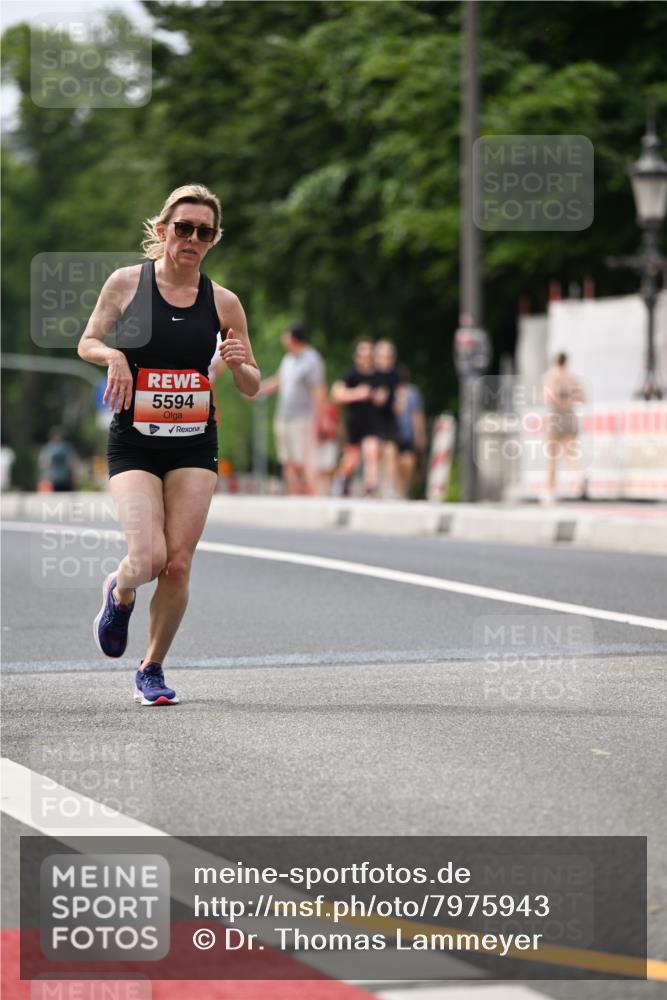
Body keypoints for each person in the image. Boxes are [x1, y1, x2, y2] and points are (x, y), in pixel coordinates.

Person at [78, 183, 259, 705]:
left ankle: (151, 668)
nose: (193, 239)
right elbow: (88, 341)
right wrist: (113, 357)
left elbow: (250, 384)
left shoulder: (223, 302)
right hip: (134, 442)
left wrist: (241, 364)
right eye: (184, 228)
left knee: (177, 562)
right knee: (149, 557)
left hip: (194, 444)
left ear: (213, 239)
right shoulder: (126, 284)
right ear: (163, 230)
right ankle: (120, 591)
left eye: (205, 232)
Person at [256, 323, 325, 495]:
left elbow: (318, 390)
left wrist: (320, 418)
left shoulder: (312, 360)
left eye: (286, 336)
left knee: (302, 460)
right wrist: (258, 390)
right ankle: (294, 494)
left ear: (295, 339)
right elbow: (279, 380)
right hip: (284, 416)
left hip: (302, 418)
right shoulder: (288, 359)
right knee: (286, 458)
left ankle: (310, 494)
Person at [330, 339, 378, 496]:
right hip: (354, 422)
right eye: (362, 355)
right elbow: (336, 394)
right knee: (351, 458)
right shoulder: (350, 374)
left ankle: (370, 486)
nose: (366, 359)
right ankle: (342, 481)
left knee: (371, 451)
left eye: (369, 355)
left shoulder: (378, 376)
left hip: (373, 422)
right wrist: (357, 393)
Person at [541, 352, 586, 503]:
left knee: (552, 457)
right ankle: (579, 475)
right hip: (570, 416)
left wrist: (558, 402)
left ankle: (550, 490)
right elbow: (582, 398)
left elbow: (548, 397)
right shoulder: (572, 378)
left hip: (556, 417)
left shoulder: (551, 376)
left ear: (555, 361)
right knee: (569, 454)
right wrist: (568, 401)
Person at [371, 339, 402, 498]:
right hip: (372, 419)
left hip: (389, 419)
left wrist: (398, 401)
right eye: (382, 356)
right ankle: (374, 487)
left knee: (390, 451)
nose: (385, 360)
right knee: (374, 452)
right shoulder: (371, 374)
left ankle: (389, 488)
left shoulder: (395, 375)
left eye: (388, 357)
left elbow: (399, 397)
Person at [395, 367, 427, 499]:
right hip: (395, 433)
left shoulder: (412, 393)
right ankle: (400, 491)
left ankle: (403, 490)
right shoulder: (393, 391)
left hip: (407, 433)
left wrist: (419, 434)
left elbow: (417, 414)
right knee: (400, 461)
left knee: (407, 462)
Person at [38, 427, 77, 491]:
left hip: (65, 479)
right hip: (52, 479)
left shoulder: (66, 447)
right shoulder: (47, 448)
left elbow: (72, 462)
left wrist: (73, 476)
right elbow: (43, 463)